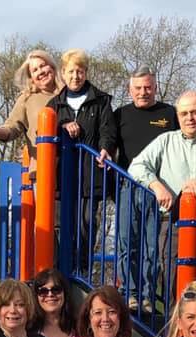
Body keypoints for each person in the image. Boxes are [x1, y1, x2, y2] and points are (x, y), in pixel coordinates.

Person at [127, 91, 196, 308]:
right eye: (184, 114)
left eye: (195, 112)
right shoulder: (166, 141)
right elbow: (136, 166)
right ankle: (176, 335)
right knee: (176, 283)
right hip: (172, 223)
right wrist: (156, 186)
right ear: (177, 116)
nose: (189, 118)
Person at [112, 67, 178, 313]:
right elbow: (107, 141)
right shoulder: (121, 115)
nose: (143, 92)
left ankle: (148, 296)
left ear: (155, 88)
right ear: (130, 90)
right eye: (138, 88)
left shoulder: (168, 114)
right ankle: (129, 293)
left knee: (152, 246)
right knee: (126, 243)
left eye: (148, 87)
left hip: (159, 190)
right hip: (128, 185)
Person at [47, 49, 116, 271]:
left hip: (89, 174)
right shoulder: (54, 104)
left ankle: (82, 270)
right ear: (63, 74)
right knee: (61, 225)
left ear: (86, 73)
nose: (75, 76)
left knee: (86, 222)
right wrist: (64, 123)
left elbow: (107, 130)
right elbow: (47, 130)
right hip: (62, 176)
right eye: (70, 71)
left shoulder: (100, 101)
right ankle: (61, 270)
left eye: (80, 71)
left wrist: (105, 149)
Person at [0, 49, 62, 172]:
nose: (41, 72)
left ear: (51, 66)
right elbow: (12, 126)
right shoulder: (27, 99)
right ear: (31, 78)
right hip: (42, 170)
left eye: (43, 66)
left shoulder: (68, 93)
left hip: (71, 168)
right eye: (35, 70)